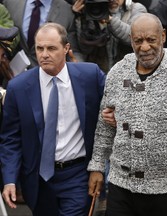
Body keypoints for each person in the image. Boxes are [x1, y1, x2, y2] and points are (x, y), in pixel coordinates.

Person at [87, 13, 167, 216]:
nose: (144, 47)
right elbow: (104, 126)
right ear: (131, 40)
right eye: (138, 41)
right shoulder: (118, 72)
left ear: (163, 36)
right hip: (122, 185)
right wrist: (97, 166)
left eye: (151, 40)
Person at [0, 22, 106, 216]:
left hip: (78, 175)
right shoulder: (18, 87)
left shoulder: (90, 76)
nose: (44, 54)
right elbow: (10, 139)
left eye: (51, 48)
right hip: (37, 180)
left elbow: (114, 105)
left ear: (66, 48)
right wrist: (9, 180)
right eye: (39, 48)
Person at [2, 0, 83, 68]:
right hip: (12, 76)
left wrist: (79, 68)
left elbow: (73, 50)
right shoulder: (10, 2)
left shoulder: (66, 11)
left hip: (47, 78)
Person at [72, 0, 147, 72]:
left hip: (127, 71)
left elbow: (134, 37)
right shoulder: (95, 10)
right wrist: (81, 17)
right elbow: (85, 49)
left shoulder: (136, 9)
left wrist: (110, 20)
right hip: (102, 70)